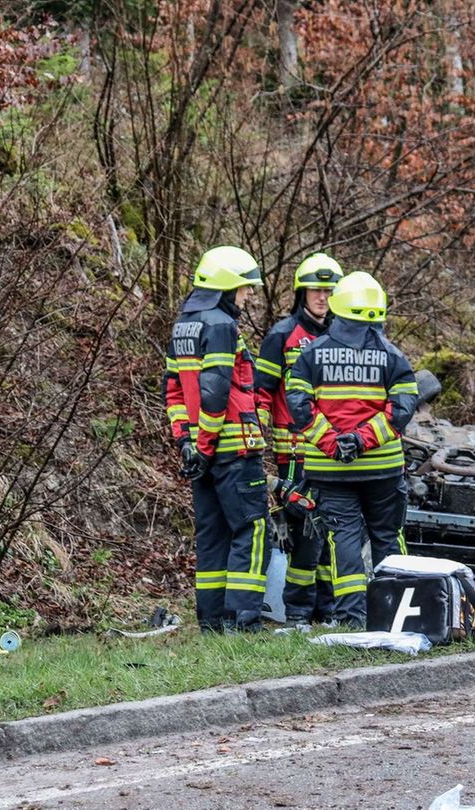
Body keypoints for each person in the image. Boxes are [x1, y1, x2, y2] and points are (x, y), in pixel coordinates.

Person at [285, 271, 419, 627]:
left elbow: (298, 405)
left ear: (337, 307)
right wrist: (363, 439)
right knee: (387, 538)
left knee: (341, 540)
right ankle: (397, 616)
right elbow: (401, 410)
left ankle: (350, 619)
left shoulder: (310, 354)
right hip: (382, 469)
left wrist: (333, 443)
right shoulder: (393, 357)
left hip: (332, 471)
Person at [163, 245, 272, 632]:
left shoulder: (184, 325)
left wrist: (188, 444)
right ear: (226, 287)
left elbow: (173, 392)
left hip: (202, 454)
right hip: (232, 450)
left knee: (212, 534)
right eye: (244, 288)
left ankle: (212, 621)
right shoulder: (222, 326)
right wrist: (206, 445)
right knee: (253, 528)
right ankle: (245, 621)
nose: (249, 295)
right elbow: (215, 391)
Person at [256, 253, 344, 626]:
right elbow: (260, 393)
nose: (323, 297)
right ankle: (297, 613)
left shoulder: (343, 334)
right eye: (315, 290)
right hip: (293, 453)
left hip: (335, 451)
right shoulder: (282, 335)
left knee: (332, 533)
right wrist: (259, 447)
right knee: (305, 534)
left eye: (329, 290)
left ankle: (328, 610)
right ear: (301, 293)